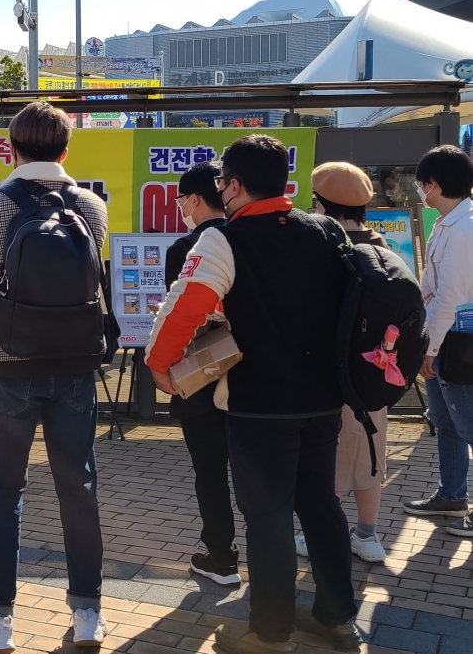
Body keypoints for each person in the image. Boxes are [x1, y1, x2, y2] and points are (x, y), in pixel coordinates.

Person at [146, 136, 359, 654]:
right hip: (324, 398)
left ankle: (270, 630)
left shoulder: (223, 240)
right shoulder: (326, 229)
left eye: (223, 182)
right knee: (322, 506)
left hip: (258, 404)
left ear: (235, 185)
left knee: (268, 517)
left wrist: (159, 366)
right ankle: (336, 617)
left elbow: (182, 309)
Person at [0, 101, 110, 653]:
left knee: (3, 489)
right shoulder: (91, 207)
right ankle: (88, 614)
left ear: (12, 148)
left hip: (6, 364)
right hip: (73, 365)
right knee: (79, 485)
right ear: (66, 151)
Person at [289, 162, 389, 564]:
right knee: (370, 450)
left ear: (322, 204)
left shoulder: (324, 247)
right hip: (375, 370)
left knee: (327, 455)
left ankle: (318, 536)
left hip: (329, 371)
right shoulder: (380, 247)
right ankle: (367, 534)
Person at [163, 161, 237, 586]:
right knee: (258, 470)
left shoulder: (186, 248)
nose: (180, 209)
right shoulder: (247, 237)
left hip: (203, 376)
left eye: (180, 201)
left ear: (194, 199)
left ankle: (221, 556)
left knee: (210, 472)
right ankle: (271, 558)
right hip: (253, 378)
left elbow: (181, 319)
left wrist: (162, 366)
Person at [401, 146, 473, 537]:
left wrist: (428, 350)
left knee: (468, 425)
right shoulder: (448, 223)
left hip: (458, 344)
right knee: (445, 422)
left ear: (434, 183)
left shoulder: (464, 230)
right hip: (444, 339)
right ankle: (451, 495)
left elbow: (450, 297)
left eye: (421, 182)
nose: (419, 189)